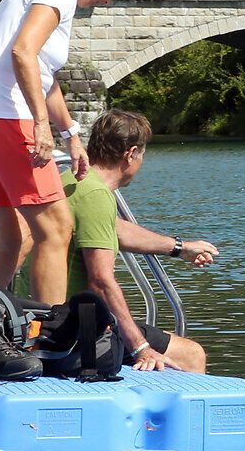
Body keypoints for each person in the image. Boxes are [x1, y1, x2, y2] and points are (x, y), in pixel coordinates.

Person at [0, 0, 139, 305]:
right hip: (7, 117)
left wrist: (71, 132)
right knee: (57, 229)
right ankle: (47, 333)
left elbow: (42, 73)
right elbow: (23, 52)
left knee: (15, 240)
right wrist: (41, 124)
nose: (107, 1)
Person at [64, 109, 218, 372]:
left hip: (54, 321)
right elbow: (100, 282)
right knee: (191, 354)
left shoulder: (73, 180)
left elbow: (112, 229)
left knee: (166, 339)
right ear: (131, 153)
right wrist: (140, 347)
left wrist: (180, 248)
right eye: (143, 155)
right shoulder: (97, 196)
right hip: (80, 334)